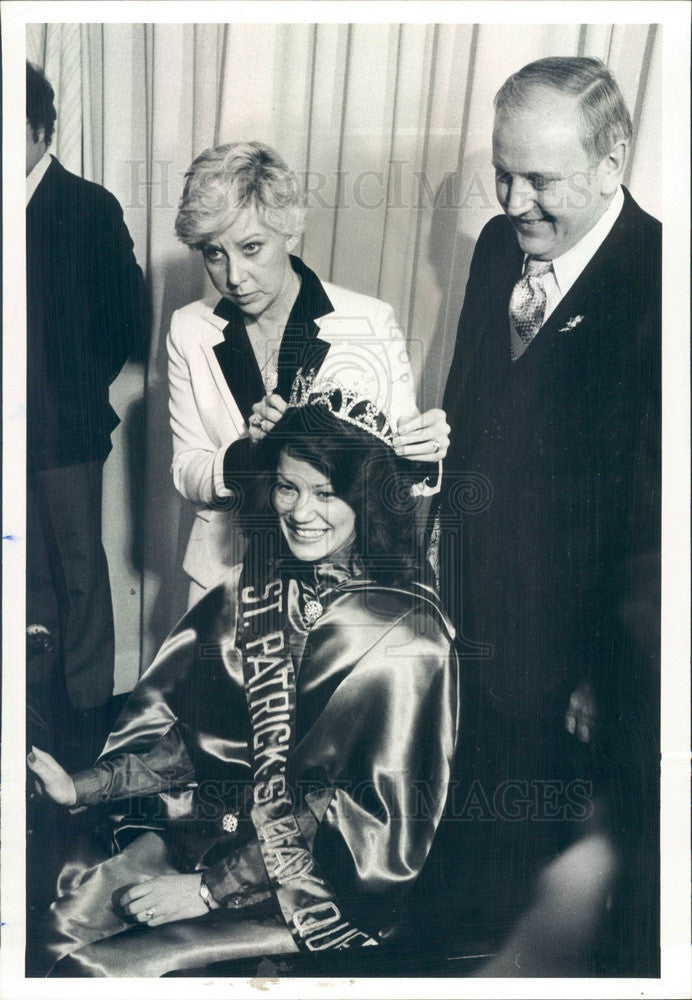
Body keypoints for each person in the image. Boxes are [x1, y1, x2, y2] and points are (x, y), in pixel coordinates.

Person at [27, 381, 459, 978]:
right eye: (287, 487)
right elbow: (201, 739)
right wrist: (86, 785)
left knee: (105, 971)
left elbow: (366, 817)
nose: (301, 513)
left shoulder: (407, 634)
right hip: (212, 831)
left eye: (327, 493)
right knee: (58, 928)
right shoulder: (245, 588)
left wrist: (208, 890)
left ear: (369, 499)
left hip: (317, 885)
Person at [432, 57, 660, 971]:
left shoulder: (662, 284)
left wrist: (611, 672)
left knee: (536, 858)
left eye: (542, 178)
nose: (515, 199)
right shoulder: (497, 246)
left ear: (613, 164)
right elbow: (473, 405)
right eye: (503, 170)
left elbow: (657, 514)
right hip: (475, 607)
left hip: (576, 645)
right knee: (467, 816)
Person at [169, 141, 449, 604]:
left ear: (290, 231)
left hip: (339, 583)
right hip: (224, 574)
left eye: (251, 248)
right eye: (214, 254)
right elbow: (186, 470)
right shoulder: (188, 328)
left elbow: (397, 474)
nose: (234, 275)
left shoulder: (368, 319)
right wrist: (252, 452)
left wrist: (425, 451)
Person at [25, 61, 147, 771]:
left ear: (42, 129)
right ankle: (35, 706)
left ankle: (88, 719)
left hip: (66, 432)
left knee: (76, 571)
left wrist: (69, 386)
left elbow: (127, 319)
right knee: (27, 571)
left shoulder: (88, 207)